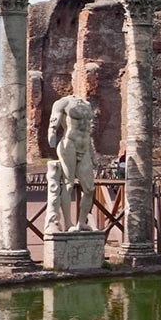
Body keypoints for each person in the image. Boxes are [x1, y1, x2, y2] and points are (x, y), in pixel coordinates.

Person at [47, 95, 97, 232]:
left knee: (90, 189)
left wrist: (93, 154)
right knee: (68, 184)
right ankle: (68, 223)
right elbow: (54, 120)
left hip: (85, 146)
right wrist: (51, 133)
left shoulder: (87, 104)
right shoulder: (62, 102)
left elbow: (89, 131)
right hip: (69, 145)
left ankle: (81, 222)